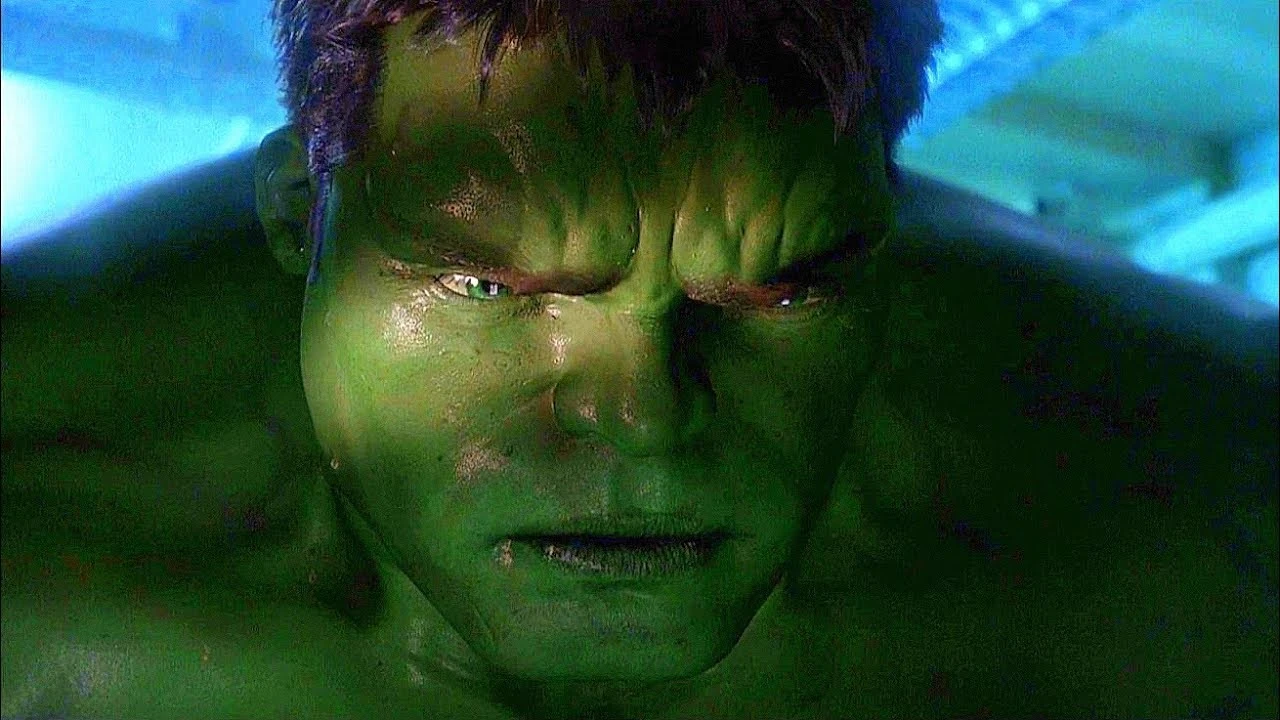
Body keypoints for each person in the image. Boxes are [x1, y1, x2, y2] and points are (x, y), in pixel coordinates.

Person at [1, 1, 1275, 718]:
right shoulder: (45, 529)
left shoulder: (1207, 517)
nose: (644, 418)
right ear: (297, 218)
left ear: (881, 248)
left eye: (779, 291)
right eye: (489, 286)